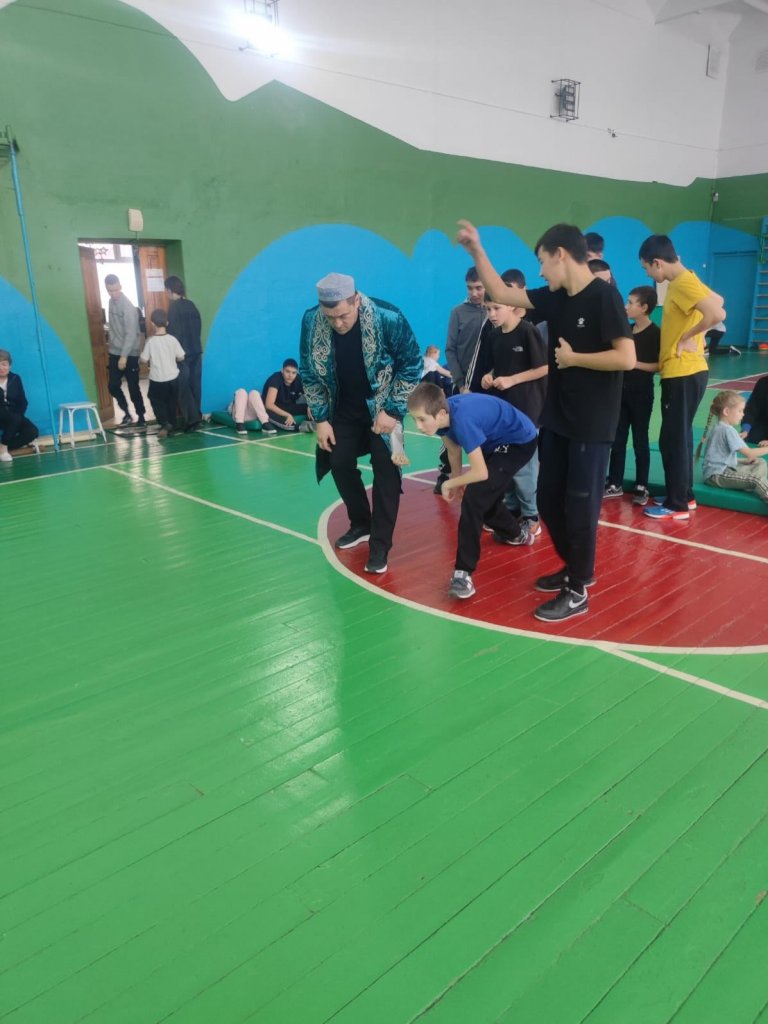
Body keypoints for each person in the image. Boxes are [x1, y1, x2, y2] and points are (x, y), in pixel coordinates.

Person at [457, 219, 635, 622]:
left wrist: (574, 359)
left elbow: (625, 358)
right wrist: (476, 250)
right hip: (557, 416)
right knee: (548, 499)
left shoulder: (604, 296)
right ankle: (573, 568)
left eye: (542, 261)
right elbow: (502, 292)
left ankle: (578, 588)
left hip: (592, 422)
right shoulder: (556, 298)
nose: (539, 271)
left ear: (561, 255)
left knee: (581, 506)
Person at [299, 273, 422, 574]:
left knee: (387, 469)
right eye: (330, 317)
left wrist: (393, 411)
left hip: (385, 409)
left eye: (343, 315)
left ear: (356, 300)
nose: (338, 323)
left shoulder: (389, 317)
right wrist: (321, 419)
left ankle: (380, 545)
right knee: (338, 461)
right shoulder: (311, 320)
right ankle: (361, 524)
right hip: (342, 410)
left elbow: (412, 365)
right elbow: (309, 372)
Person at [408, 383, 538, 600]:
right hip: (494, 441)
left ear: (441, 413)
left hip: (518, 442)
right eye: (414, 420)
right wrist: (456, 480)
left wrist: (449, 484)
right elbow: (453, 449)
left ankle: (463, 573)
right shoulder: (443, 418)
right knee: (484, 498)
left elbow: (480, 472)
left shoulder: (462, 421)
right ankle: (516, 534)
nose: (418, 426)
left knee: (474, 498)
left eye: (421, 419)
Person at [638, 235, 725, 521]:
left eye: (647, 268)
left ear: (658, 263)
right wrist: (697, 333)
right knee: (680, 436)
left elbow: (716, 313)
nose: (648, 275)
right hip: (688, 372)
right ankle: (684, 496)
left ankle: (677, 504)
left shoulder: (682, 282)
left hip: (683, 372)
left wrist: (688, 336)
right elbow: (720, 302)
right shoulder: (689, 279)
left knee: (672, 439)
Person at [477, 278, 548, 535]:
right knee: (504, 461)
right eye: (488, 309)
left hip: (527, 410)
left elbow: (544, 367)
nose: (492, 314)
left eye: (496, 308)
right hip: (503, 411)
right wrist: (489, 376)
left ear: (511, 306)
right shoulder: (494, 335)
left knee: (525, 466)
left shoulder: (528, 331)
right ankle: (511, 508)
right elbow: (495, 367)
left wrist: (512, 380)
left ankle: (531, 515)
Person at [603, 286, 660, 505]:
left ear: (644, 307)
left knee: (640, 439)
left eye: (630, 303)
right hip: (620, 393)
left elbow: (658, 366)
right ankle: (614, 482)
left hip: (641, 394)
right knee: (617, 439)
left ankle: (641, 485)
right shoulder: (625, 330)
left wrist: (633, 363)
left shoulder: (655, 333)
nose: (626, 307)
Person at [434, 268, 488, 492]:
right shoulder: (457, 312)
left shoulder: (495, 311)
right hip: (462, 386)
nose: (474, 293)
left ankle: (485, 477)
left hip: (488, 386)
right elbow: (450, 349)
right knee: (451, 432)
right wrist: (461, 383)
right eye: (470, 288)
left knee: (485, 433)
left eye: (479, 288)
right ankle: (445, 472)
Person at [698, 390, 768, 503]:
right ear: (726, 411)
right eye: (740, 411)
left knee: (760, 462)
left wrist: (743, 461)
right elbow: (749, 453)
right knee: (756, 479)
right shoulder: (727, 430)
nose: (743, 414)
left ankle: (747, 483)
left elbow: (719, 457)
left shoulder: (720, 427)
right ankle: (753, 483)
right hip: (717, 476)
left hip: (722, 470)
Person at [104, 274, 146, 427]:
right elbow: (113, 327)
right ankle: (127, 414)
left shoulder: (127, 307)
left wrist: (124, 356)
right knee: (113, 386)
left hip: (130, 353)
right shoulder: (110, 302)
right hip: (115, 352)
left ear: (120, 286)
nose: (113, 293)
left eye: (115, 290)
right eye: (110, 290)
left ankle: (141, 417)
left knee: (133, 387)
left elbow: (131, 334)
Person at [139, 310, 185, 438]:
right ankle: (171, 425)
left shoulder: (151, 341)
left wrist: (140, 359)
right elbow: (181, 357)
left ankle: (164, 423)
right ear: (167, 323)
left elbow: (144, 360)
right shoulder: (173, 340)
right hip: (173, 378)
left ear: (152, 323)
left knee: (156, 400)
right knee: (171, 402)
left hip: (157, 379)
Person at [165, 276, 203, 431]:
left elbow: (174, 333)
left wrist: (174, 353)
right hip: (196, 351)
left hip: (182, 354)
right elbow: (198, 327)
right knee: (195, 385)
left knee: (183, 387)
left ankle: (192, 420)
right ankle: (197, 416)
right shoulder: (191, 305)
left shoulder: (173, 308)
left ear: (169, 290)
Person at [0, 349, 38, 462]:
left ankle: (3, 446)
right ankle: (3, 450)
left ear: (9, 366)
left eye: (4, 364)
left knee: (32, 431)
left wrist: (19, 416)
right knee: (14, 418)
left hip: (13, 415)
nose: (1, 368)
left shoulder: (15, 378)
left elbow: (23, 402)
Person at [263, 358, 313, 432]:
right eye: (287, 371)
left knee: (313, 407)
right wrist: (287, 415)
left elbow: (310, 394)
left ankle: (315, 424)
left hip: (288, 407)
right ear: (282, 370)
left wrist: (310, 405)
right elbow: (269, 405)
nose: (290, 375)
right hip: (273, 408)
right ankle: (298, 427)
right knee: (267, 413)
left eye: (294, 373)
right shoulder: (275, 379)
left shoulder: (298, 379)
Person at [743, 374, 768, 445]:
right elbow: (751, 408)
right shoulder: (763, 382)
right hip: (762, 424)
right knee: (748, 438)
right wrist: (746, 429)